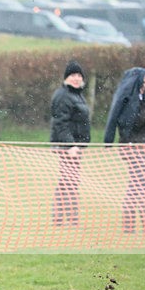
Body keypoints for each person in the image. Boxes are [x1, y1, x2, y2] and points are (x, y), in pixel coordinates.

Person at [103, 67, 145, 233]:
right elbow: (114, 117)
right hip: (130, 145)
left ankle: (136, 224)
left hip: (143, 145)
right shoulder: (128, 97)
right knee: (139, 183)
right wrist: (109, 140)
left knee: (138, 184)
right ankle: (130, 224)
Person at [49, 60, 90, 226]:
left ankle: (70, 216)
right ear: (66, 77)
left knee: (70, 181)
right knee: (67, 181)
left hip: (76, 146)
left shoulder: (77, 95)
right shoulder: (63, 96)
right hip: (67, 147)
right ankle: (63, 217)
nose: (77, 78)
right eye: (73, 75)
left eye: (79, 75)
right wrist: (70, 145)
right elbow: (60, 123)